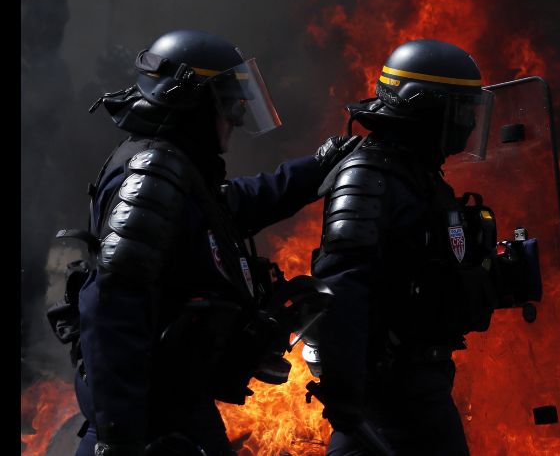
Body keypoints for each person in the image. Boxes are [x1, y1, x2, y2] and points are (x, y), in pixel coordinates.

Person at [59, 29, 360, 456]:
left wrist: (318, 168)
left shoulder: (175, 167)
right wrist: (120, 437)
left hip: (174, 405)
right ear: (195, 103)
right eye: (229, 102)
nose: (238, 116)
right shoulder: (153, 180)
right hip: (151, 418)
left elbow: (231, 206)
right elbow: (111, 308)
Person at [309, 39, 503, 455]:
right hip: (387, 395)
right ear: (428, 109)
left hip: (422, 385)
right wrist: (347, 394)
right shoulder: (369, 177)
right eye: (462, 110)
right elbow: (342, 288)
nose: (470, 123)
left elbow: (422, 272)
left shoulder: (418, 177)